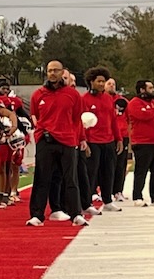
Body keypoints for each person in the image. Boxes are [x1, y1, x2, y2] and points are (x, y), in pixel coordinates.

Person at [26, 61, 86, 226]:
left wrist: (80, 138)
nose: (52, 73)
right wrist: (41, 132)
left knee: (70, 179)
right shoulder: (38, 94)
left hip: (66, 140)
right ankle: (37, 215)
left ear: (62, 73)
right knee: (41, 178)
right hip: (45, 140)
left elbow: (77, 119)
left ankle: (76, 214)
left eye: (55, 70)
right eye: (49, 70)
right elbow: (35, 115)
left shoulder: (72, 95)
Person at [81, 68, 122, 211]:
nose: (101, 84)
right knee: (91, 173)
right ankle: (87, 202)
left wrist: (119, 139)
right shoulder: (84, 100)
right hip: (92, 141)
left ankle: (108, 200)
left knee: (108, 171)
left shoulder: (108, 99)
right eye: (98, 81)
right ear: (91, 82)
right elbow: (81, 123)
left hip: (108, 140)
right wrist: (84, 141)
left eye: (103, 81)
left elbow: (113, 120)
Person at [128, 80, 154, 205]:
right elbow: (142, 116)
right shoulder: (134, 103)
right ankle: (137, 196)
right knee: (141, 171)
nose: (153, 90)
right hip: (142, 143)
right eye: (150, 88)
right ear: (142, 90)